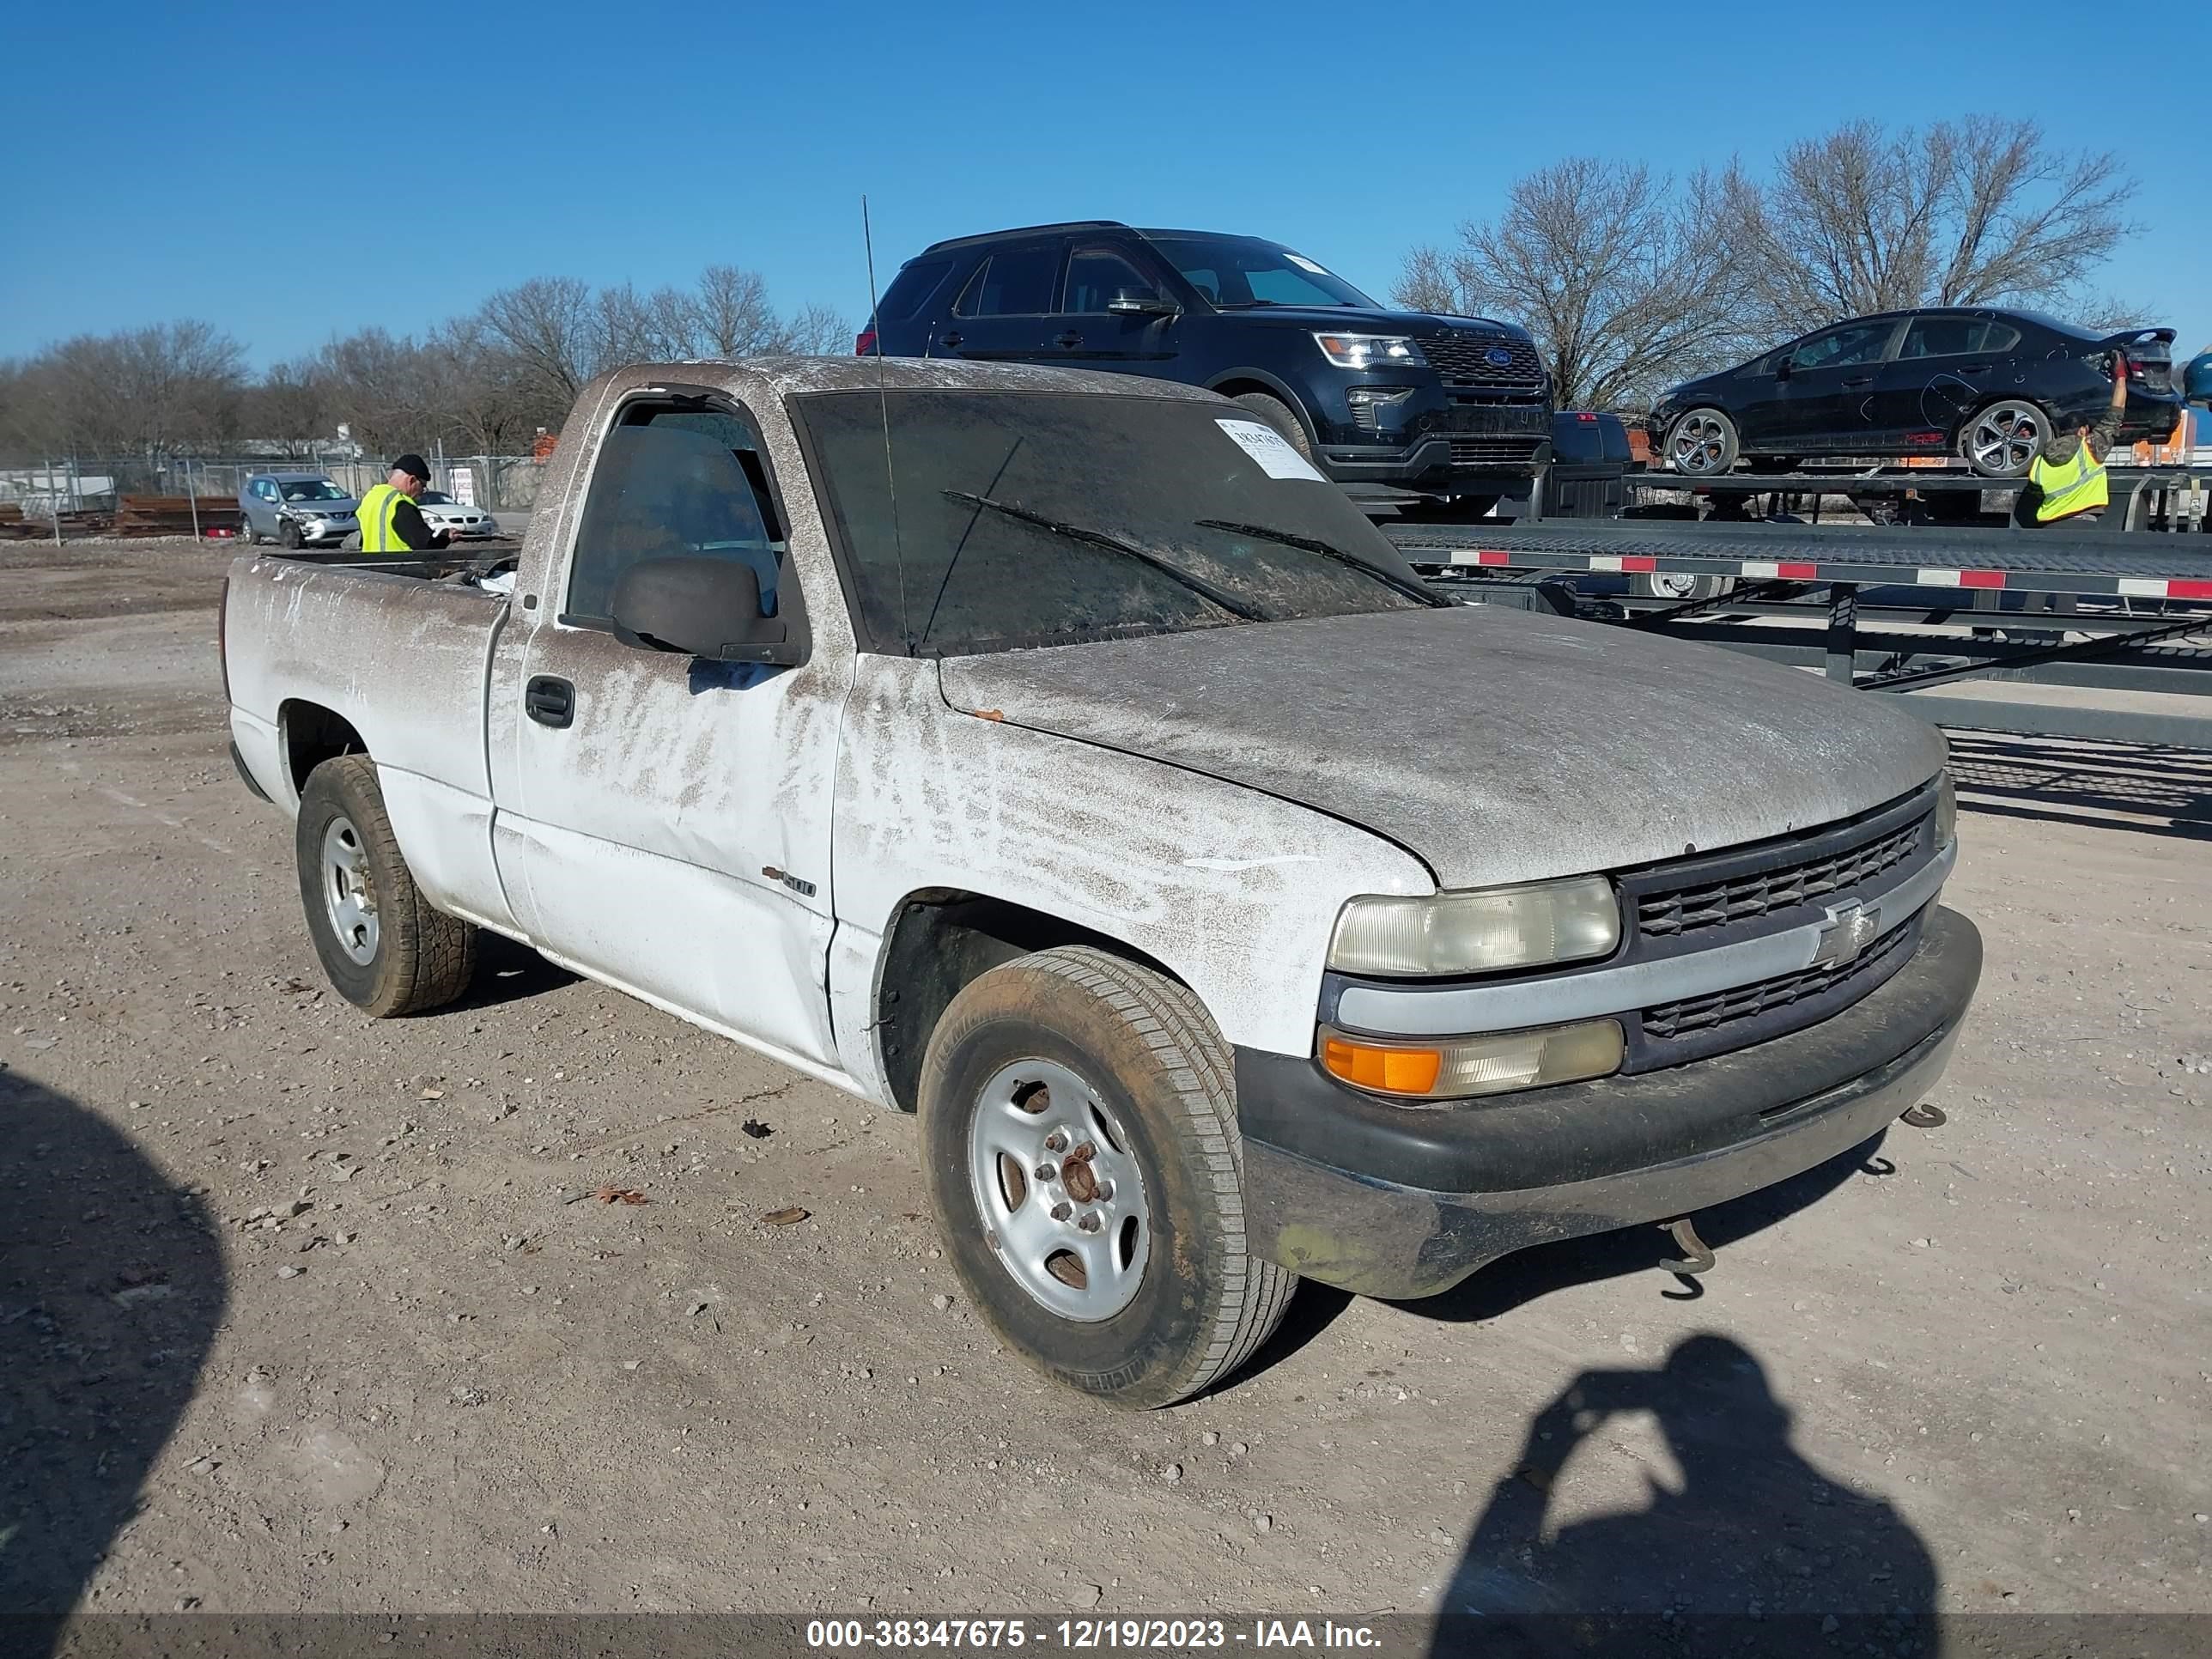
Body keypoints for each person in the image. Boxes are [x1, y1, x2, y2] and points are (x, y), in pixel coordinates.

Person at [2016, 352, 2128, 527]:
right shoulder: (2090, 448)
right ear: (2083, 430)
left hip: (2049, 524)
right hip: (2081, 523)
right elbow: (2116, 412)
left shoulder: (2040, 460)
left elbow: (2033, 496)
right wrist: (2120, 377)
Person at [355, 453, 454, 554]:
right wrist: (446, 537)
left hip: (369, 566)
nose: (422, 491)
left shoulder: (370, 498)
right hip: (400, 566)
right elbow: (425, 546)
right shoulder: (400, 504)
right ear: (412, 480)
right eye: (422, 485)